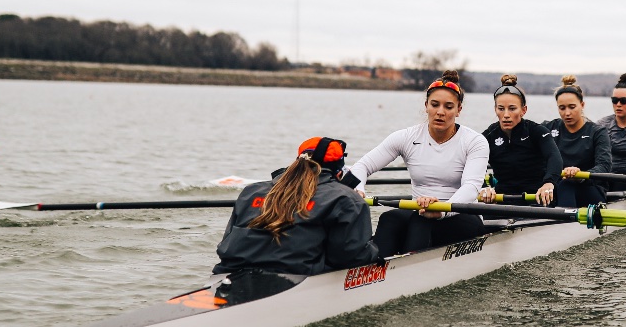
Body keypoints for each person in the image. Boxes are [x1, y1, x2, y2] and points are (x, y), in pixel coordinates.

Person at [348, 70, 491, 256]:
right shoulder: (406, 137)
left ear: (459, 110)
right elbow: (361, 166)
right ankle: (371, 269)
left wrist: (442, 211)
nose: (440, 112)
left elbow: (472, 187)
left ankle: (408, 273)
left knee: (420, 221)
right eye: (435, 105)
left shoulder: (475, 141)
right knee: (389, 218)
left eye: (448, 107)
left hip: (461, 214)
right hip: (421, 210)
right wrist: (359, 189)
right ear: (426, 106)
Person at [213, 137, 378, 277]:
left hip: (227, 273)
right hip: (296, 279)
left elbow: (225, 243)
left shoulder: (251, 191)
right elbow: (350, 258)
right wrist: (376, 251)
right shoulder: (347, 199)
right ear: (338, 170)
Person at [479, 74, 560, 206]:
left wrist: (549, 183)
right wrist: (483, 187)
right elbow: (473, 165)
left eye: (512, 109)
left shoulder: (537, 131)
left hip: (537, 197)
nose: (506, 115)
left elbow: (554, 158)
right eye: (501, 109)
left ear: (523, 110)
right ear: (495, 109)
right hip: (502, 199)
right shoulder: (488, 136)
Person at [541, 75, 611, 207]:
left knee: (567, 184)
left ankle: (563, 225)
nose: (567, 113)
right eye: (562, 108)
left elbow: (604, 166)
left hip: (591, 190)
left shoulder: (597, 132)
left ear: (582, 105)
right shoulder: (547, 128)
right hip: (556, 187)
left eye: (572, 107)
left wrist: (581, 176)